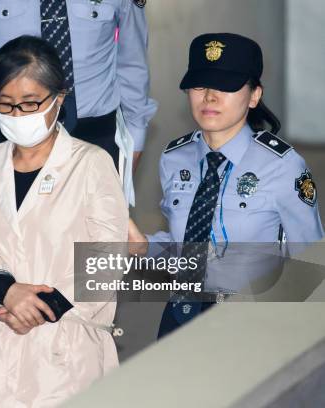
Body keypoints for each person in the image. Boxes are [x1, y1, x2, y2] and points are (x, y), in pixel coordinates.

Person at [0, 35, 128, 407]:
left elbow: (107, 262)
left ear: (59, 97)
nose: (18, 117)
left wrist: (39, 309)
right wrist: (3, 288)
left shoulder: (91, 164)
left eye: (29, 104)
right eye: (5, 106)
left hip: (65, 348)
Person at [128, 33, 324, 338]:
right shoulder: (174, 158)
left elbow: (310, 258)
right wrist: (144, 246)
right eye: (199, 85)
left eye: (226, 86)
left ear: (254, 95)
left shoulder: (282, 166)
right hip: (181, 316)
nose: (209, 97)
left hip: (253, 320)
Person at [0, 0, 158, 205]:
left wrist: (133, 141)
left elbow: (131, 60)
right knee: (5, 255)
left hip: (94, 136)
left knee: (91, 261)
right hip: (8, 135)